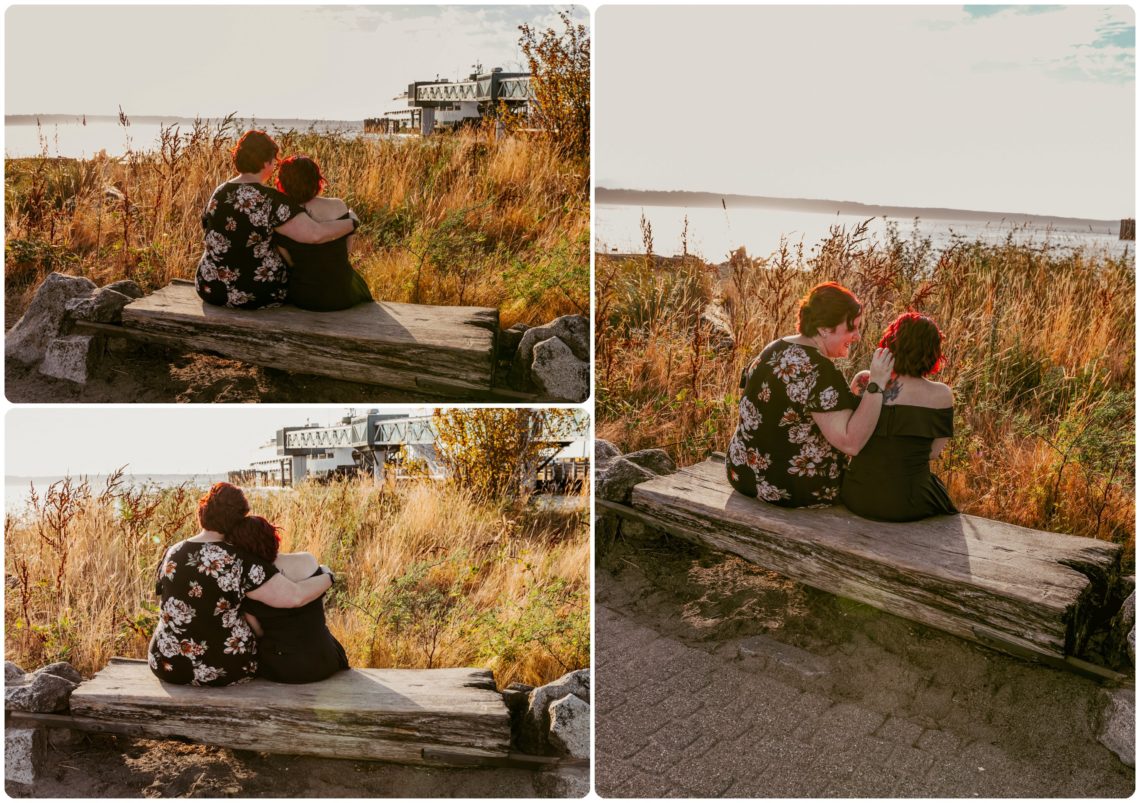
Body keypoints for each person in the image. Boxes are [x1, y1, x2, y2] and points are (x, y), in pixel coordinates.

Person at [147, 483, 333, 687]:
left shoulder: (173, 551)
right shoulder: (238, 560)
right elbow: (295, 597)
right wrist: (328, 576)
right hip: (224, 667)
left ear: (202, 513)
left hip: (166, 663)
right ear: (238, 520)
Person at [726, 281, 894, 507]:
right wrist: (877, 384)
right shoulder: (820, 370)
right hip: (789, 487)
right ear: (824, 328)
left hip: (742, 472)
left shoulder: (774, 347)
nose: (857, 337)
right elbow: (851, 443)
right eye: (851, 328)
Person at [195, 130, 357, 310]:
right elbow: (315, 235)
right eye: (274, 162)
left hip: (210, 287)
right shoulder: (271, 200)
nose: (274, 167)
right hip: (256, 292)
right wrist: (352, 223)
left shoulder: (219, 192)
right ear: (265, 162)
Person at [841, 312, 957, 521]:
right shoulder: (942, 395)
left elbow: (850, 436)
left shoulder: (864, 381)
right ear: (933, 352)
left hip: (858, 495)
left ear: (890, 344)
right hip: (911, 501)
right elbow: (932, 453)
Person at [227, 515, 349, 684]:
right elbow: (319, 607)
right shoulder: (307, 559)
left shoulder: (249, 583)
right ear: (273, 537)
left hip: (284, 667)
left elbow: (259, 632)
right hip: (325, 658)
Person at [273, 155, 374, 311]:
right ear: (317, 180)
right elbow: (346, 251)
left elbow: (289, 262)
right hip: (343, 294)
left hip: (305, 296)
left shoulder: (282, 215)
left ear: (283, 183)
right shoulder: (338, 205)